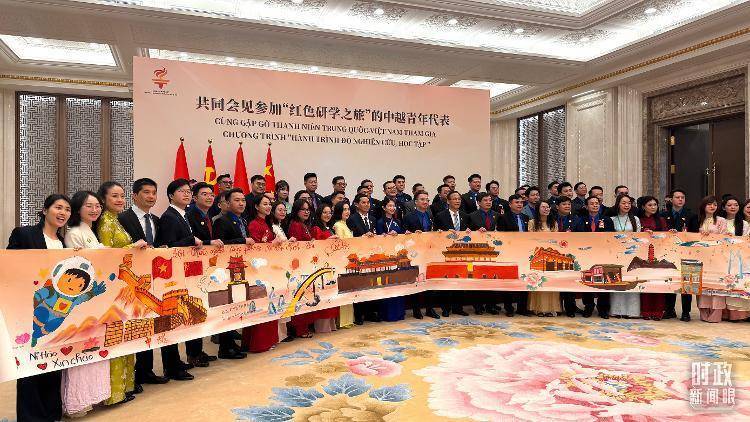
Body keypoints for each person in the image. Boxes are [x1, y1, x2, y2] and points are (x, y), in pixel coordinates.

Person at [9, 194, 72, 421]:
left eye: (67, 209)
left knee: (52, 362)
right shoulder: (24, 234)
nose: (63, 213)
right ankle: (31, 417)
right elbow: (9, 266)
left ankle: (51, 413)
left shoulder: (63, 243)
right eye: (58, 207)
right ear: (45, 210)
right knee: (29, 367)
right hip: (28, 310)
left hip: (54, 313)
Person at [116, 178, 176, 389]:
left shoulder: (156, 220)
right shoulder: (122, 218)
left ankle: (145, 370)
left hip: (152, 280)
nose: (151, 196)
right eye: (146, 192)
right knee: (134, 325)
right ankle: (131, 377)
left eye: (154, 193)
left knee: (150, 323)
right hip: (129, 282)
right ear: (134, 195)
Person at [61, 191, 111, 417]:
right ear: (78, 208)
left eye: (97, 205)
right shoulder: (74, 233)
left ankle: (92, 396)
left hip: (96, 298)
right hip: (83, 298)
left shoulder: (90, 231)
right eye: (89, 206)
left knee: (95, 346)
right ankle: (76, 403)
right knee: (81, 349)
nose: (95, 210)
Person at [154, 178, 204, 381]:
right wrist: (190, 240)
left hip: (182, 275)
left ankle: (175, 362)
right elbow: (168, 246)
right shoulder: (169, 217)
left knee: (178, 319)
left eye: (188, 191)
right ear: (171, 195)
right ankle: (171, 366)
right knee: (170, 320)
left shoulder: (182, 215)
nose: (187, 194)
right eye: (182, 191)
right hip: (171, 277)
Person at [212, 188, 255, 359]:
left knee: (237, 306)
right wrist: (242, 241)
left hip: (241, 268)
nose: (241, 203)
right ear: (228, 203)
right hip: (226, 270)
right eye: (237, 200)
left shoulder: (242, 220)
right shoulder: (221, 221)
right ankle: (225, 347)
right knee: (228, 307)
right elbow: (221, 244)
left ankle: (232, 344)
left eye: (243, 200)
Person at [185, 182, 221, 367]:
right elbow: (193, 241)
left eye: (211, 194)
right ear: (195, 197)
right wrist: (208, 242)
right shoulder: (190, 215)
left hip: (205, 269)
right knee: (194, 309)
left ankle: (198, 351)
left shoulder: (206, 215)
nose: (209, 197)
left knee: (201, 308)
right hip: (192, 269)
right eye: (204, 194)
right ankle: (193, 353)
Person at [244, 194, 283, 352]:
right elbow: (254, 249)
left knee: (270, 304)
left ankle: (268, 340)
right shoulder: (254, 224)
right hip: (258, 271)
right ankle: (259, 343)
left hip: (268, 269)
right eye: (264, 204)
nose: (268, 207)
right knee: (261, 305)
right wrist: (272, 244)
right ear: (256, 206)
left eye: (269, 204)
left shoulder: (267, 223)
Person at [688, 196, 727, 323]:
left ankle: (715, 314)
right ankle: (704, 313)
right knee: (702, 285)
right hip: (699, 256)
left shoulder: (721, 220)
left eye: (714, 204)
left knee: (716, 285)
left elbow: (724, 238)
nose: (712, 206)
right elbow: (690, 236)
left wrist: (710, 236)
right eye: (709, 204)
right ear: (703, 206)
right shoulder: (696, 219)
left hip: (717, 257)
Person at [284, 199, 318, 336]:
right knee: (300, 297)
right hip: (299, 267)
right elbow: (297, 248)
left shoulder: (304, 224)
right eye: (303, 209)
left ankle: (303, 328)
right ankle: (299, 329)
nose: (306, 212)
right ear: (296, 211)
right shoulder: (296, 225)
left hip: (306, 265)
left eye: (308, 209)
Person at [572, 196, 610, 319]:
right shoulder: (581, 220)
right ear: (586, 206)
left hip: (602, 254)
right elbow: (577, 237)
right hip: (586, 255)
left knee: (604, 281)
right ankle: (588, 306)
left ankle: (603, 308)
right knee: (587, 279)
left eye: (597, 203)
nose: (595, 205)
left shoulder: (607, 220)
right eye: (592, 203)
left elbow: (612, 237)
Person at [605, 194, 641, 319]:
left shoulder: (635, 219)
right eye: (623, 203)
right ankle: (617, 310)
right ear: (618, 204)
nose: (627, 205)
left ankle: (632, 311)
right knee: (617, 280)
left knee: (631, 281)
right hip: (616, 254)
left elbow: (638, 236)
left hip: (632, 254)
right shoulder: (612, 219)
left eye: (629, 203)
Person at [660, 188, 694, 320]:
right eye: (677, 197)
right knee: (670, 280)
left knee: (687, 282)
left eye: (682, 197)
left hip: (687, 252)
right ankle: (669, 309)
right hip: (669, 252)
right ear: (671, 199)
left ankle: (686, 312)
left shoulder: (691, 215)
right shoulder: (663, 215)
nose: (680, 199)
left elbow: (694, 235)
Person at [346, 194, 380, 324]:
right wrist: (363, 237)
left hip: (371, 256)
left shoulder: (373, 218)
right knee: (359, 285)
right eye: (363, 202)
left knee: (371, 284)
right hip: (358, 256)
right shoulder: (352, 219)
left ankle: (370, 312)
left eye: (368, 202)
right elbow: (351, 238)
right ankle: (359, 315)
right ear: (356, 204)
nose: (367, 205)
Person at [466, 192, 502, 315]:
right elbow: (467, 234)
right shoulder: (471, 216)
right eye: (485, 200)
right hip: (476, 252)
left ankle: (491, 305)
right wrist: (476, 232)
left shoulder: (497, 215)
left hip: (493, 251)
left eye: (490, 200)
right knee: (477, 278)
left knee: (491, 278)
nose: (488, 202)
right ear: (478, 202)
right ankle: (478, 305)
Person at [374, 198, 408, 322]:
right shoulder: (379, 222)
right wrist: (386, 236)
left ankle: (399, 313)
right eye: (389, 206)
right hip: (386, 258)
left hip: (398, 256)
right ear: (384, 208)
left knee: (398, 284)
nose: (392, 208)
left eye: (394, 206)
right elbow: (377, 240)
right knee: (387, 285)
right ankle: (387, 314)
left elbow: (403, 236)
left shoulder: (398, 221)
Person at [527, 201, 562, 317]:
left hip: (551, 257)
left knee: (550, 282)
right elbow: (530, 238)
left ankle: (551, 309)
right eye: (543, 207)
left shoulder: (553, 223)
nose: (546, 209)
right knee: (538, 282)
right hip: (537, 256)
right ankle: (538, 309)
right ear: (538, 209)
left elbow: (556, 240)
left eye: (548, 207)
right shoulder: (532, 223)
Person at [309, 203, 340, 333]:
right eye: (324, 212)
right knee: (323, 295)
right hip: (321, 267)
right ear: (319, 214)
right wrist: (329, 240)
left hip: (331, 265)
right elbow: (316, 246)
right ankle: (322, 326)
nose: (328, 215)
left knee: (331, 295)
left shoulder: (330, 228)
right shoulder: (316, 228)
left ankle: (331, 324)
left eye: (329, 212)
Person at [719, 196, 750, 321]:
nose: (733, 207)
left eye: (736, 205)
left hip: (740, 258)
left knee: (740, 283)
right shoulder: (720, 222)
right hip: (723, 257)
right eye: (730, 205)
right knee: (725, 284)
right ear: (723, 207)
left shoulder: (744, 224)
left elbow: (746, 240)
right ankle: (726, 313)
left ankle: (741, 313)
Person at [498, 194, 529, 316]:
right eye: (517, 202)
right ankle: (509, 307)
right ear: (510, 204)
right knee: (509, 281)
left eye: (521, 202)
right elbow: (501, 237)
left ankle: (522, 308)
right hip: (509, 253)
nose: (520, 204)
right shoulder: (503, 218)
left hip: (524, 253)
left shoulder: (526, 218)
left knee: (524, 280)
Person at [637, 196, 668, 321]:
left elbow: (665, 236)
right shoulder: (638, 220)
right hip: (642, 255)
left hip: (658, 255)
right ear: (643, 207)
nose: (653, 207)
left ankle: (658, 311)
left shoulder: (661, 220)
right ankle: (646, 311)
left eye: (655, 204)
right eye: (650, 205)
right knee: (645, 283)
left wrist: (670, 232)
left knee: (658, 283)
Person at [332, 201, 356, 328]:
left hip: (349, 260)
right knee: (343, 290)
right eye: (344, 209)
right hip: (342, 261)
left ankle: (348, 320)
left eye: (348, 209)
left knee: (349, 290)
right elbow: (340, 245)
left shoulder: (346, 224)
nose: (347, 212)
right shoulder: (337, 225)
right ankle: (342, 321)